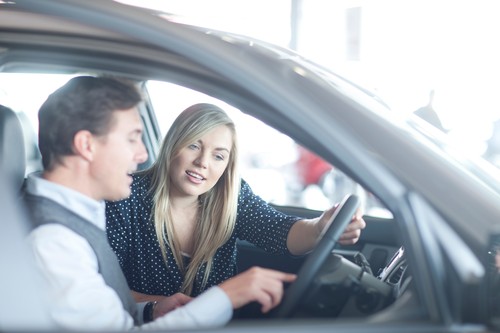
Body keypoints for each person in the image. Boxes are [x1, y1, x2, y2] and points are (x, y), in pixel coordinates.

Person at [22, 76, 296, 331]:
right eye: (132, 138)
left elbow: (112, 314)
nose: (142, 153)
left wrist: (151, 310)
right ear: (86, 145)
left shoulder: (73, 216)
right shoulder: (53, 240)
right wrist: (225, 297)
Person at [106, 103, 366, 302]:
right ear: (173, 144)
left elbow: (280, 232)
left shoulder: (230, 196)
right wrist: (160, 306)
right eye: (194, 146)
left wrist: (321, 226)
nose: (203, 163)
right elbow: (102, 288)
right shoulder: (125, 196)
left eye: (218, 156)